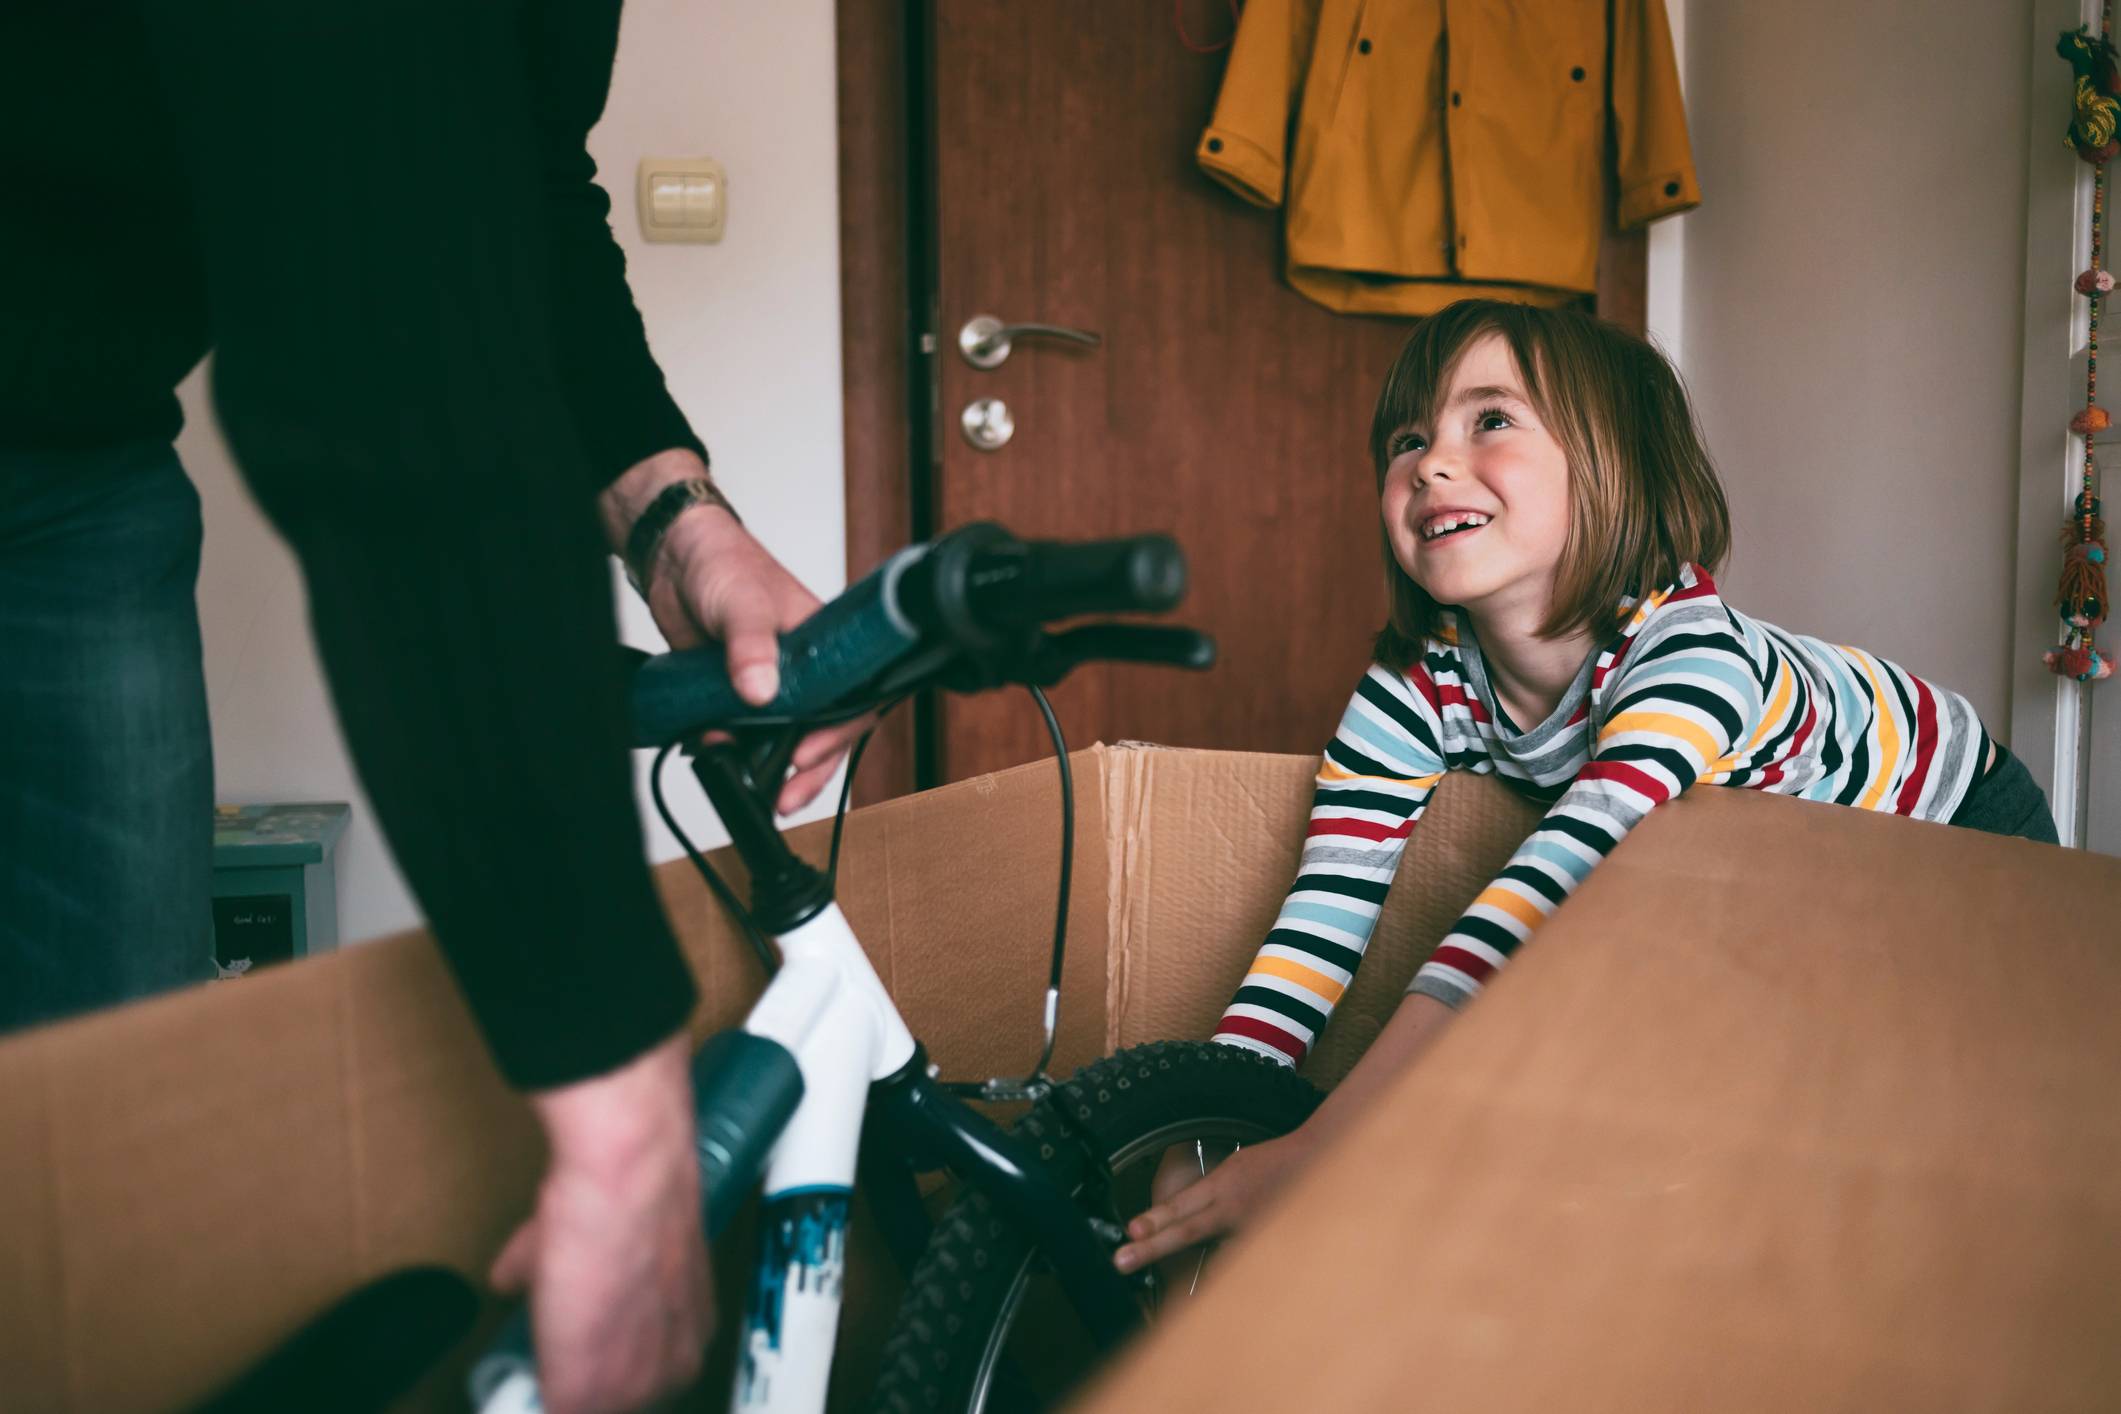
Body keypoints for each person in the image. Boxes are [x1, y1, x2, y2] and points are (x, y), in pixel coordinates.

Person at [0, 5, 854, 1409]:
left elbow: (512, 184)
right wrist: (627, 1125)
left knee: (113, 1156)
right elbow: (382, 334)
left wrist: (680, 523)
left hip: (86, 464)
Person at [1112, 300, 2058, 1275]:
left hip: (1957, 838)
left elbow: (1537, 897)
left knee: (1918, 1148)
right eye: (1407, 440)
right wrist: (1204, 1129)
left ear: (1610, 462)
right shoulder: (1416, 683)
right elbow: (1324, 909)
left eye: (1489, 419)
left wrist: (1325, 1145)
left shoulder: (1692, 660)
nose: (1430, 465)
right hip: (1779, 881)